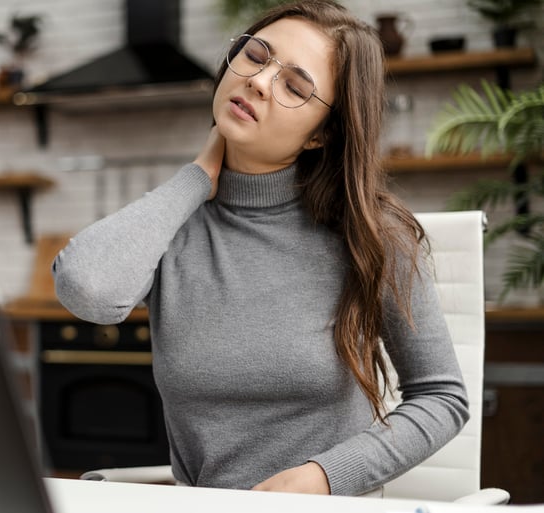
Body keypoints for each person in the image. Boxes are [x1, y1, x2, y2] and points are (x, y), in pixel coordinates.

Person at [52, 0, 469, 497]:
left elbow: (442, 397)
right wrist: (194, 179)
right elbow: (87, 289)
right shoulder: (173, 225)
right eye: (255, 56)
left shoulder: (373, 236)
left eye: (294, 86)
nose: (259, 80)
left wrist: (324, 477)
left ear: (322, 135)